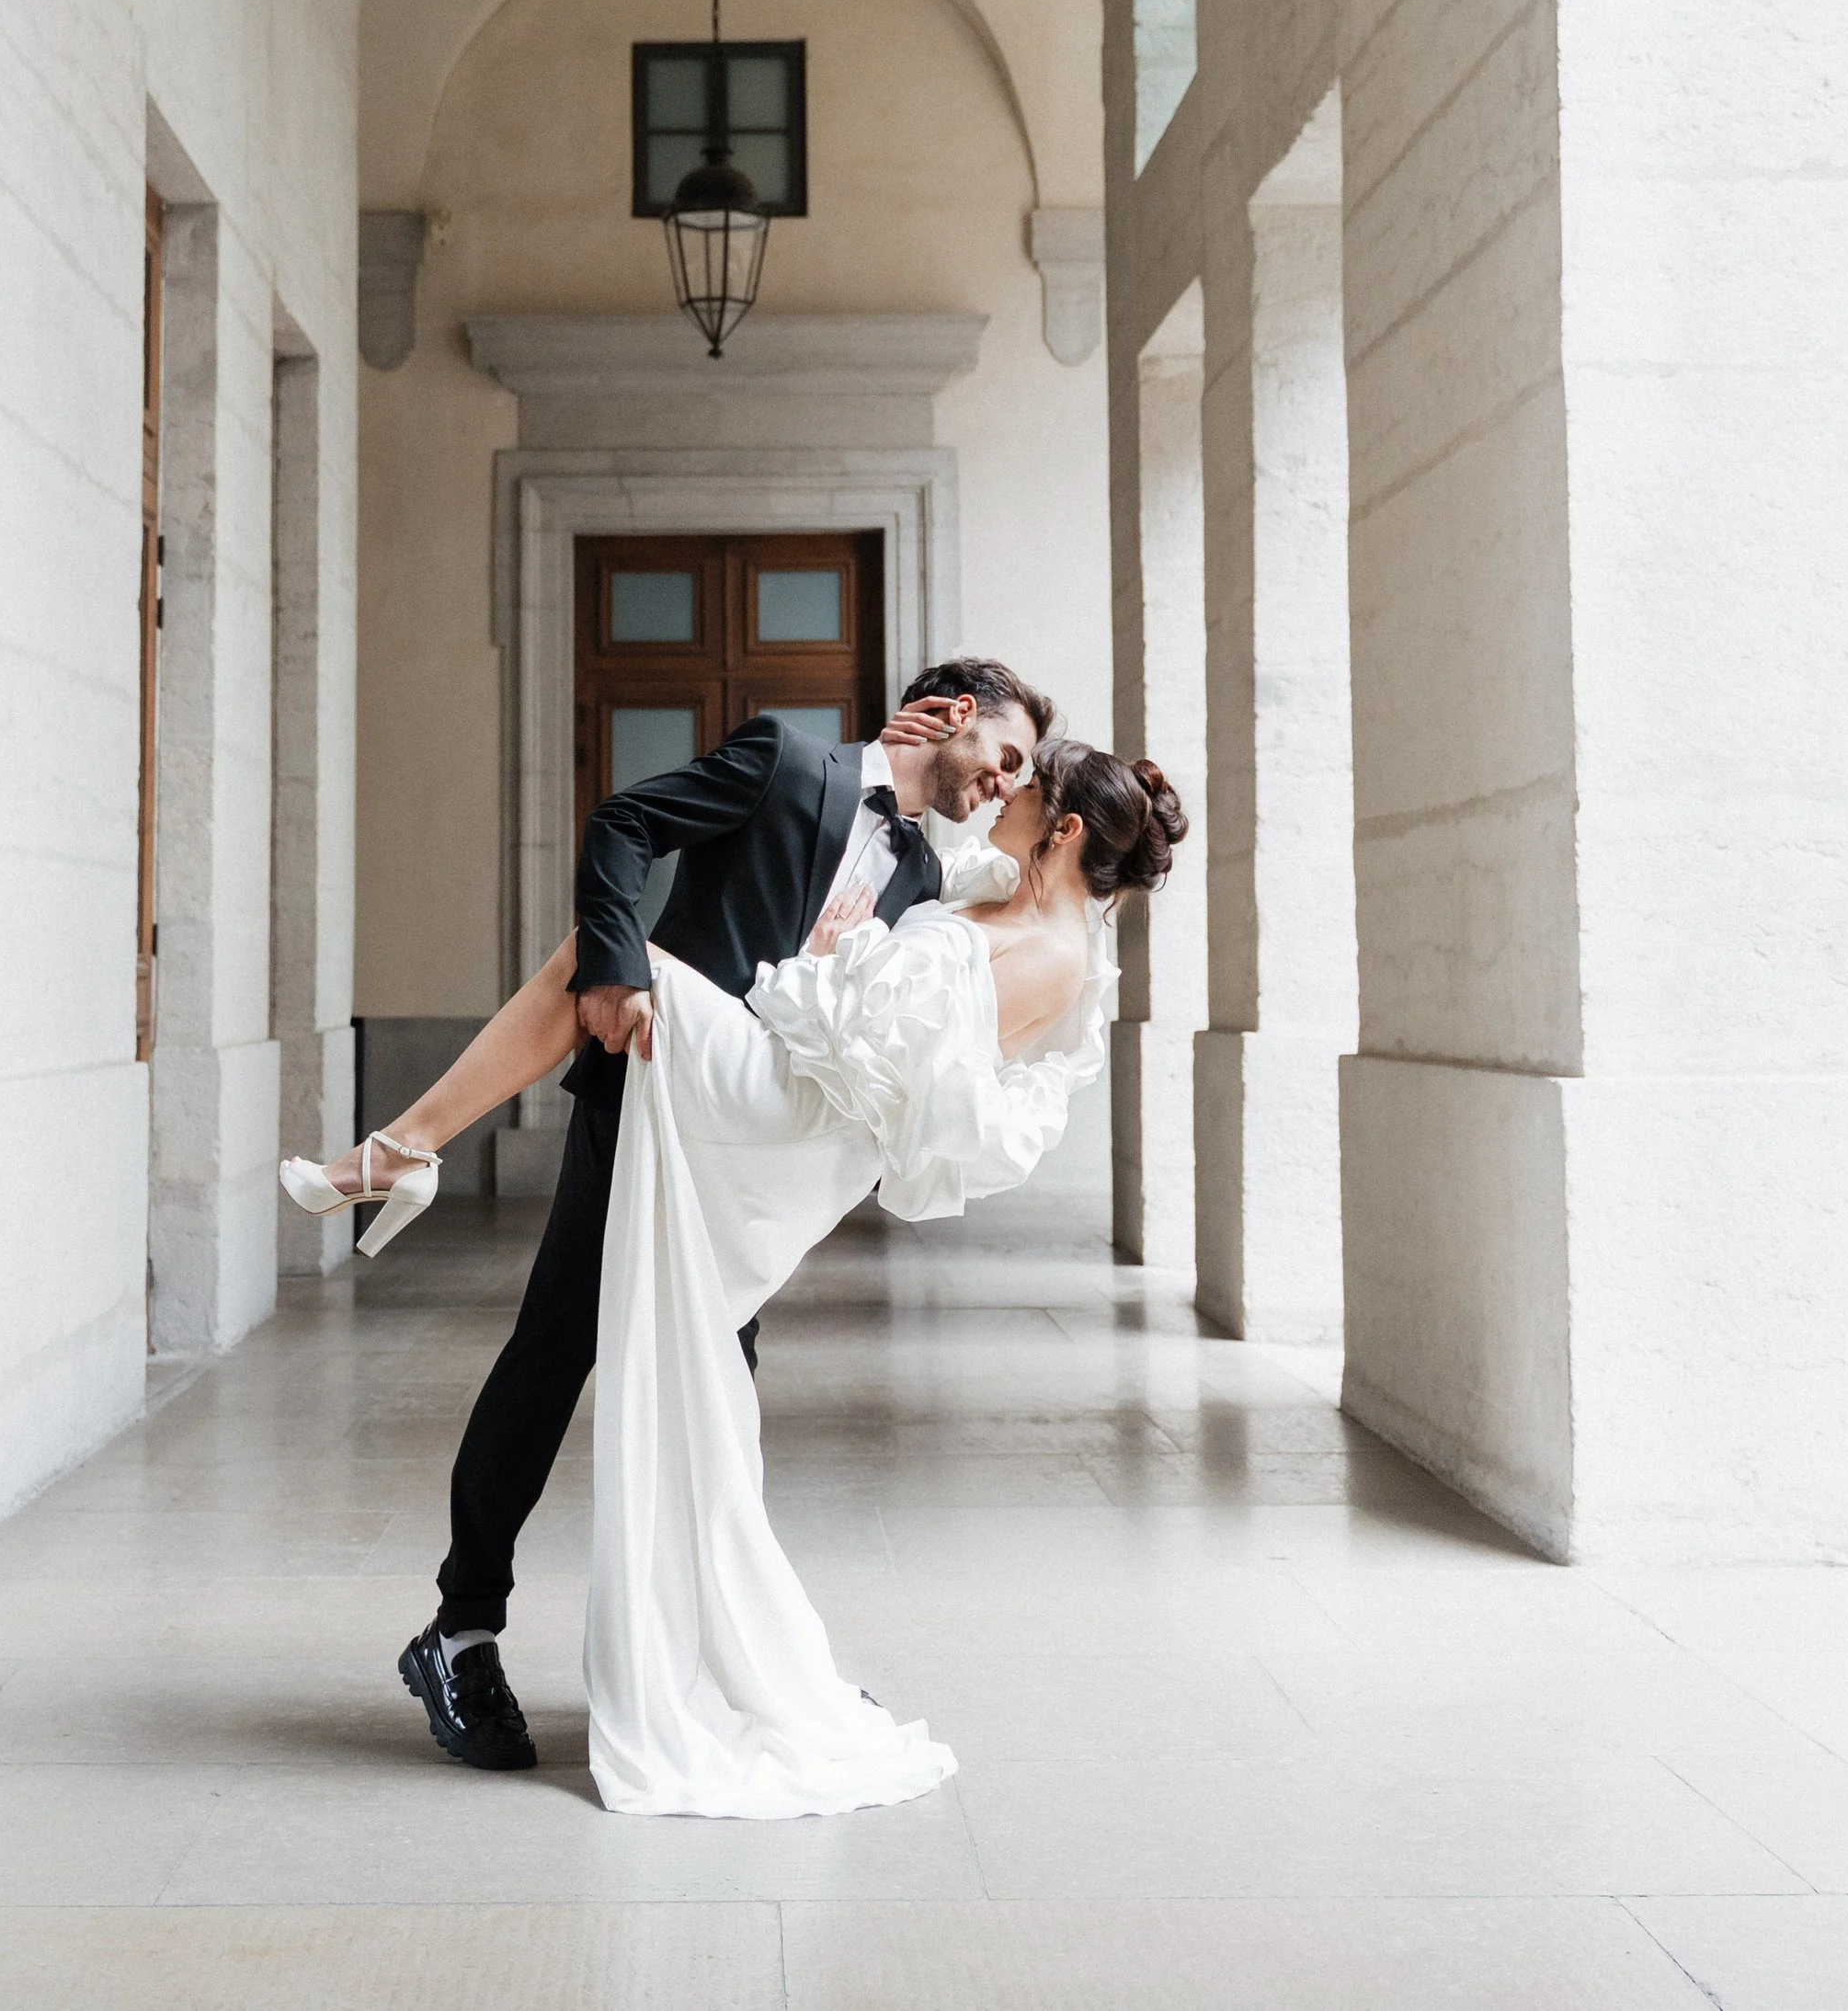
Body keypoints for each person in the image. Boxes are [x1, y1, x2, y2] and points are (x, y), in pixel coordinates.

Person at [287, 703, 1189, 1816]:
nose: (1003, 785)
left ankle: (402, 1149)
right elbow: (624, 824)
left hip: (759, 1118)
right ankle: (473, 1625)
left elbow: (905, 1045)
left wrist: (832, 966)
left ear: (1061, 828)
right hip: (663, 1094)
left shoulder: (966, 893)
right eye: (1001, 755)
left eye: (1024, 777)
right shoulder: (799, 767)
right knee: (581, 1352)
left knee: (707, 1399)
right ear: (948, 715)